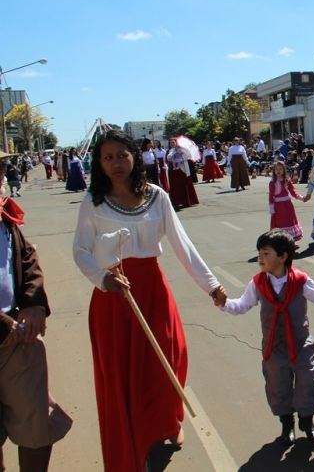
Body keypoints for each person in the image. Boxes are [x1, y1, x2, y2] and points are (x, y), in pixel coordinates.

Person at [72, 130, 226, 471]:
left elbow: (182, 244)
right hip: (113, 294)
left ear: (135, 157)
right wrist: (102, 279)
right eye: (108, 157)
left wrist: (211, 285)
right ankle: (135, 444)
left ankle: (167, 422)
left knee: (170, 358)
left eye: (122, 155)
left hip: (153, 290)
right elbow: (81, 250)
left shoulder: (157, 196)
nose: (116, 163)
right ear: (99, 163)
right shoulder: (92, 201)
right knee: (124, 376)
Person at [213, 229, 314, 444]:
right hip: (274, 346)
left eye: (266, 253)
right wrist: (224, 303)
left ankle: (307, 421)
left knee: (309, 379)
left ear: (283, 256)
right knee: (278, 385)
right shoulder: (258, 283)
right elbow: (242, 305)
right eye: (259, 253)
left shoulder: (300, 280)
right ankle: (286, 424)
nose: (260, 258)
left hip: (301, 343)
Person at [0, 158, 72, 472]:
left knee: (37, 429)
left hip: (18, 339)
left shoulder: (4, 216)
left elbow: (26, 256)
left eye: (0, 168)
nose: (1, 174)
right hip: (8, 330)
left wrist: (34, 303)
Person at [269, 161, 304, 241]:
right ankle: (281, 240)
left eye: (280, 169)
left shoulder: (287, 180)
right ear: (274, 170)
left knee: (289, 221)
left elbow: (293, 192)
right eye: (276, 169)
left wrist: (301, 198)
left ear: (284, 170)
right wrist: (272, 208)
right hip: (278, 207)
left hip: (288, 205)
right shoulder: (273, 182)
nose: (278, 171)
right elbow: (271, 196)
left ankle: (291, 240)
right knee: (280, 222)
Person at [166, 138, 199, 208]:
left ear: (176, 142)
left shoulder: (183, 149)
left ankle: (186, 201)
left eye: (173, 142)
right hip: (174, 170)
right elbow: (168, 158)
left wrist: (180, 156)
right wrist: (173, 156)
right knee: (176, 187)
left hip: (182, 169)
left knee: (184, 185)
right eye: (170, 143)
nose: (172, 144)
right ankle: (177, 201)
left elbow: (188, 156)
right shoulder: (170, 150)